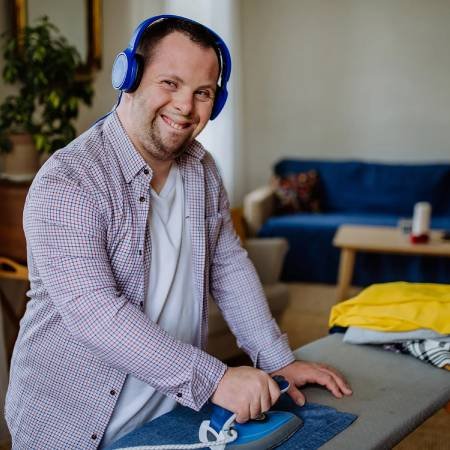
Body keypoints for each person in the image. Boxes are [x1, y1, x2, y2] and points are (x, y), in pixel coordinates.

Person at [5, 15, 352, 449]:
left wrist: (277, 360)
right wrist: (217, 380)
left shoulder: (201, 168)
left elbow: (227, 266)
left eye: (202, 92)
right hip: (70, 428)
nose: (186, 106)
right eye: (170, 83)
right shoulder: (70, 180)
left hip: (171, 419)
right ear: (129, 77)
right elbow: (94, 313)